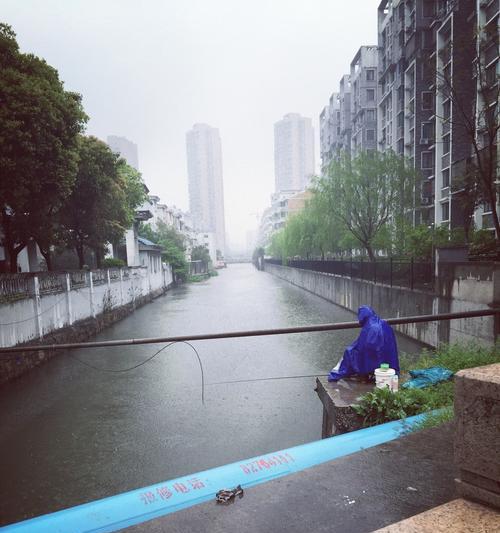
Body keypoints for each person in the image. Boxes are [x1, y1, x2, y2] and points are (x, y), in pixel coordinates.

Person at [328, 305, 399, 382]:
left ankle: (336, 375)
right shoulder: (384, 323)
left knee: (349, 352)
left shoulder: (368, 328)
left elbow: (361, 346)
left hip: (373, 357)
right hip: (387, 360)